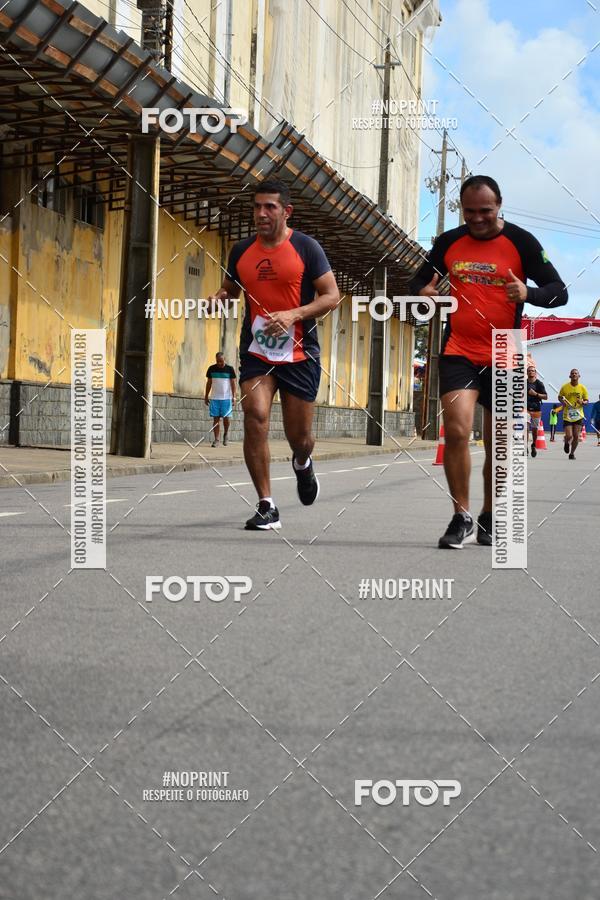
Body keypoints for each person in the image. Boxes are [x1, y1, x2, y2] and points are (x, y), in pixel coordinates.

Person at [410, 175, 568, 549]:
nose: (478, 218)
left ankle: (488, 514)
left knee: (499, 443)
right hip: (459, 348)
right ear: (460, 208)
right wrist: (425, 293)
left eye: (486, 211)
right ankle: (460, 515)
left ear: (500, 206)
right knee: (459, 431)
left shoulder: (522, 242)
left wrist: (528, 292)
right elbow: (418, 282)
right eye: (469, 211)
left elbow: (559, 292)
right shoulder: (449, 242)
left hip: (505, 350)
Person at [208, 179, 339, 530]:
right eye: (257, 207)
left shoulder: (307, 248)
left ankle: (302, 463)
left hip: (299, 353)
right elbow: (232, 287)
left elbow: (331, 296)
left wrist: (294, 314)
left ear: (286, 211)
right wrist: (218, 297)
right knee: (255, 415)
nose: (262, 213)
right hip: (258, 352)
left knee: (300, 438)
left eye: (270, 207)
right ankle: (267, 504)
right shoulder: (241, 250)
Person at [204, 352, 236, 446]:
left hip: (226, 398)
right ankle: (216, 439)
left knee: (226, 418)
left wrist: (234, 397)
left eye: (221, 361)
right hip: (215, 398)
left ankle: (225, 434)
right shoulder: (211, 369)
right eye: (217, 361)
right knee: (216, 419)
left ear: (224, 360)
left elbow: (233, 383)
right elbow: (209, 383)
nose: (219, 363)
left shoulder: (230, 369)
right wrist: (206, 396)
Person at [558, 369, 588, 459]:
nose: (574, 375)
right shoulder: (565, 387)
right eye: (572, 373)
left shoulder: (582, 388)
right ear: (570, 376)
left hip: (578, 415)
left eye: (576, 373)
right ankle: (566, 442)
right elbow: (559, 397)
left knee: (576, 436)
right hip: (568, 415)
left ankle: (572, 453)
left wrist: (582, 402)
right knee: (569, 435)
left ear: (579, 376)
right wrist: (563, 402)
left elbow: (586, 401)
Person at [526, 364, 547, 457]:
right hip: (525, 409)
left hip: (536, 409)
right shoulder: (523, 383)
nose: (531, 372)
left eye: (533, 370)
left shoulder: (539, 383)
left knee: (535, 430)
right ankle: (524, 446)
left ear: (535, 373)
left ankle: (533, 445)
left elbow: (546, 396)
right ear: (527, 372)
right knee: (525, 428)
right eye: (529, 370)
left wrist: (536, 394)